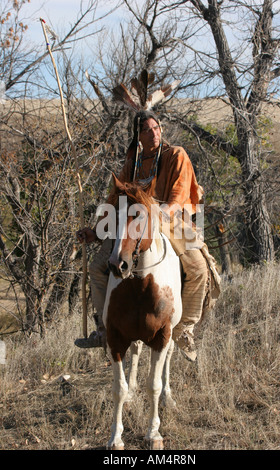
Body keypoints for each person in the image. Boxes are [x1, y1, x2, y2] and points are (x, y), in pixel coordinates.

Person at [75, 110, 220, 362]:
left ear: (161, 129)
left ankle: (184, 329)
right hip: (134, 223)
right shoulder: (133, 162)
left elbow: (177, 197)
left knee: (198, 267)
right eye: (146, 130)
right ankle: (102, 327)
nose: (153, 133)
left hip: (171, 219)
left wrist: (159, 214)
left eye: (156, 128)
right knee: (99, 266)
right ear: (138, 136)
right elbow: (116, 199)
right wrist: (96, 231)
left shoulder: (176, 155)